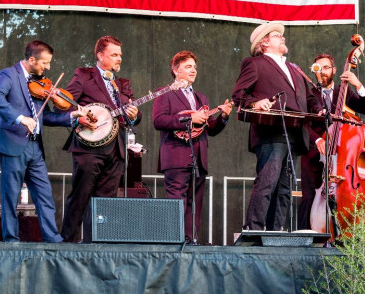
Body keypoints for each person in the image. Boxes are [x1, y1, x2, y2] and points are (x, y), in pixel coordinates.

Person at [0, 40, 88, 242]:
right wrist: (20, 118)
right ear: (32, 59)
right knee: (10, 197)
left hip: (35, 147)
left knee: (44, 195)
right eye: (45, 63)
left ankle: (52, 238)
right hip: (13, 145)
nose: (48, 67)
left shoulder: (40, 82)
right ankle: (11, 240)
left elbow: (47, 117)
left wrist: (72, 116)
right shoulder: (9, 74)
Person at [232, 22, 322, 231]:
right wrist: (256, 102)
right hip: (271, 131)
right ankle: (253, 230)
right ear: (264, 43)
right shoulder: (254, 63)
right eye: (276, 35)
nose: (282, 37)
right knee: (267, 182)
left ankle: (275, 232)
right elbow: (239, 94)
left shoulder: (295, 69)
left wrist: (319, 110)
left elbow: (309, 98)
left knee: (284, 188)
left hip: (295, 133)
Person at [60, 35, 142, 242]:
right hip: (88, 148)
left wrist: (134, 114)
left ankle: (98, 243)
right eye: (114, 55)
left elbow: (135, 115)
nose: (119, 59)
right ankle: (66, 243)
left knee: (106, 202)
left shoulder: (122, 84)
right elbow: (64, 102)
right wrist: (81, 118)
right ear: (100, 55)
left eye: (120, 55)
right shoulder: (84, 75)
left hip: (116, 149)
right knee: (81, 196)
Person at [153, 51, 232, 243]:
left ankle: (191, 241)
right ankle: (174, 241)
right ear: (175, 69)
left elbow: (209, 129)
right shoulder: (165, 93)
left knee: (194, 203)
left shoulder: (201, 98)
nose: (193, 70)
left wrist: (223, 117)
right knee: (177, 202)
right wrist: (189, 118)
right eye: (188, 66)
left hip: (198, 157)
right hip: (175, 155)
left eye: (194, 67)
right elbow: (159, 120)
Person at [298, 53, 365, 230]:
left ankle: (339, 233)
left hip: (339, 156)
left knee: (341, 195)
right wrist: (317, 139)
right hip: (313, 153)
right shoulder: (309, 93)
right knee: (310, 196)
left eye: (326, 68)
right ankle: (305, 237)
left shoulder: (344, 91)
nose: (322, 72)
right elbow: (302, 121)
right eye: (318, 68)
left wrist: (358, 84)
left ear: (334, 70)